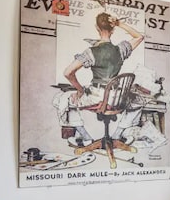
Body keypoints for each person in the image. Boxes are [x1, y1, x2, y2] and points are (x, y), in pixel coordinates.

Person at [54, 12, 144, 147]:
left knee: (61, 99)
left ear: (97, 28)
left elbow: (68, 72)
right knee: (140, 101)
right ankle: (117, 135)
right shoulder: (120, 49)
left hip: (97, 98)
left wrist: (79, 90)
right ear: (113, 29)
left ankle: (85, 137)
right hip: (117, 98)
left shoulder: (91, 52)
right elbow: (140, 36)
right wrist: (119, 23)